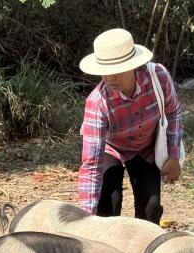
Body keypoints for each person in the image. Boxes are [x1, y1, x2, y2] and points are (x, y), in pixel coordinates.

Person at [77, 28, 183, 224]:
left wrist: (174, 155)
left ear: (132, 66)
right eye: (104, 72)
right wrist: (86, 222)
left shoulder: (158, 77)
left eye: (116, 71)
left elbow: (173, 112)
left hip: (145, 148)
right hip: (112, 148)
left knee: (150, 210)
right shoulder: (97, 103)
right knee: (108, 203)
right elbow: (91, 166)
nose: (109, 78)